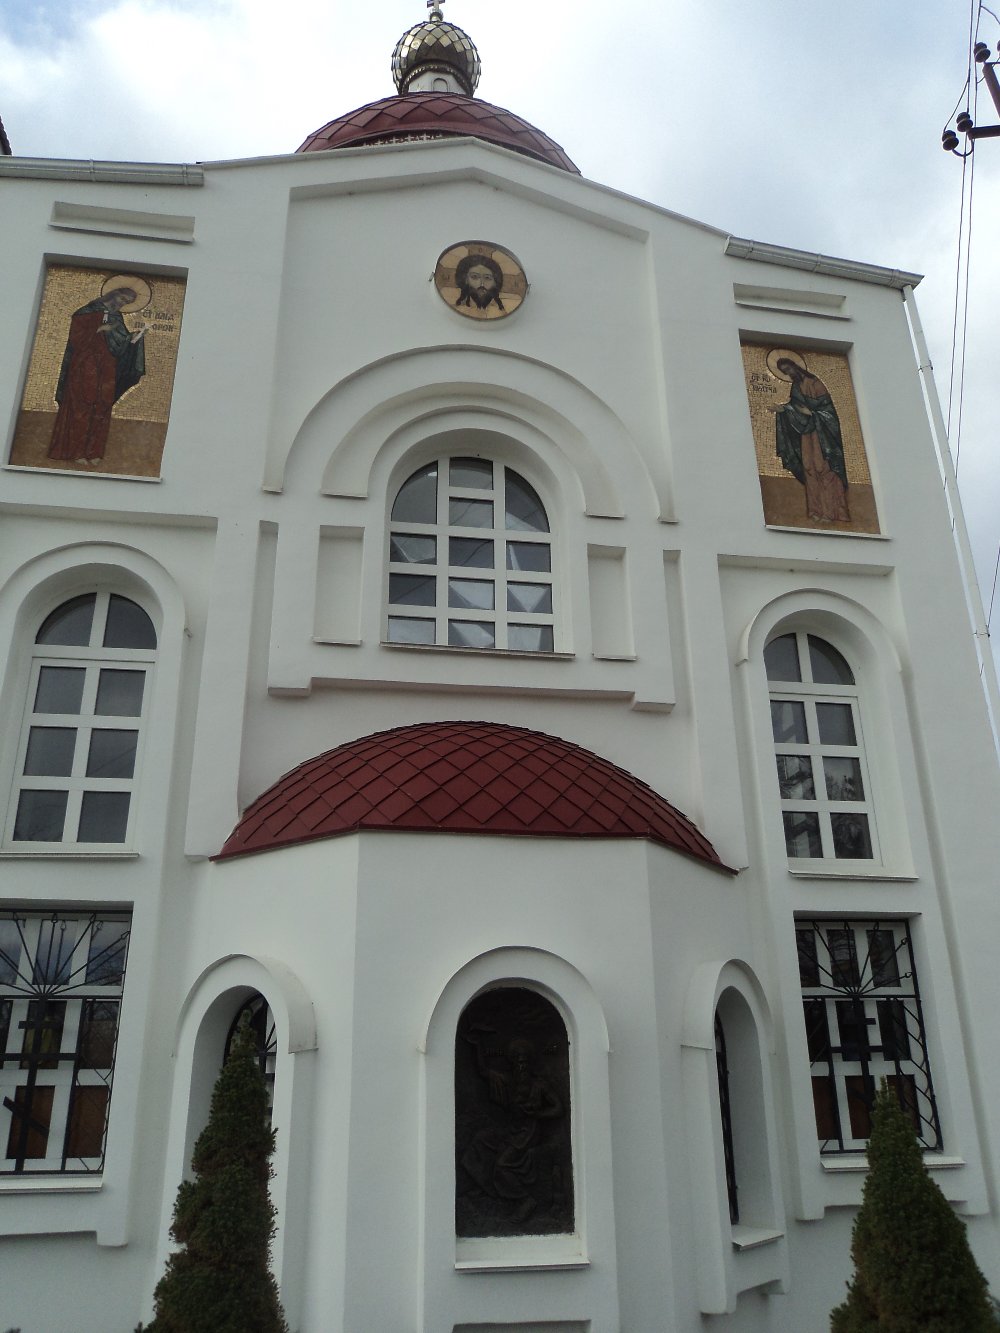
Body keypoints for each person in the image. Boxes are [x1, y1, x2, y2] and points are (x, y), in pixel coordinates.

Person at [47, 280, 149, 465]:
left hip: (107, 367)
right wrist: (98, 329)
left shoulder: (116, 317)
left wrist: (133, 338)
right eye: (122, 299)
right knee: (82, 405)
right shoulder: (87, 311)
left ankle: (94, 452)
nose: (122, 304)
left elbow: (120, 343)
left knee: (102, 406)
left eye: (126, 302)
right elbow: (76, 338)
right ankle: (75, 452)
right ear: (114, 294)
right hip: (85, 365)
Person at [768, 354, 850, 522]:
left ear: (795, 366)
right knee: (809, 468)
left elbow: (829, 412)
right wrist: (783, 409)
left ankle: (833, 513)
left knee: (823, 469)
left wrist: (813, 413)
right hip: (806, 434)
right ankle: (815, 511)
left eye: (789, 369)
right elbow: (795, 407)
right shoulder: (796, 387)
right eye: (785, 372)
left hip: (822, 435)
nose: (789, 373)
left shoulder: (815, 383)